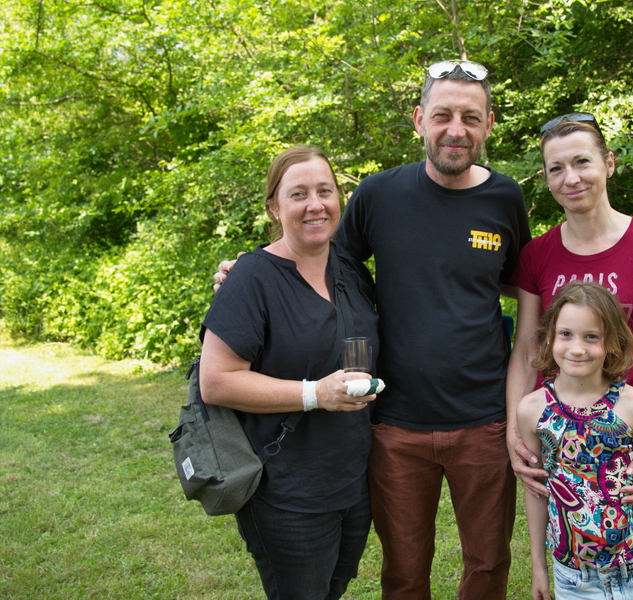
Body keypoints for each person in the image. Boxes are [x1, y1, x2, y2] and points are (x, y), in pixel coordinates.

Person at [214, 60, 532, 600]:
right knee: (404, 572)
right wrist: (254, 268)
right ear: (420, 120)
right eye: (443, 115)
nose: (456, 129)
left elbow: (516, 281)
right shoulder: (380, 195)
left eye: (470, 117)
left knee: (488, 563)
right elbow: (316, 257)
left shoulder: (505, 198)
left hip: (483, 421)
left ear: (489, 124)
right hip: (393, 424)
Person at [199, 145, 380, 600]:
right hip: (287, 491)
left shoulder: (351, 271)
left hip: (353, 482)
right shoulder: (252, 278)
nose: (315, 204)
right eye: (298, 194)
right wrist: (314, 393)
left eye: (325, 191)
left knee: (333, 589)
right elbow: (216, 381)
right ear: (274, 209)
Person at [507, 113, 633, 507]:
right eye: (556, 168)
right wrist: (514, 429)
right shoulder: (536, 254)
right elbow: (526, 350)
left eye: (582, 162)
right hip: (559, 442)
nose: (571, 178)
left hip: (631, 437)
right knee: (566, 541)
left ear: (609, 163)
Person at [517, 281, 633, 600]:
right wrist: (539, 568)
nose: (577, 348)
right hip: (574, 580)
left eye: (591, 336)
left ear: (611, 342)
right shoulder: (531, 410)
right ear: (550, 336)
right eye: (566, 334)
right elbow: (537, 492)